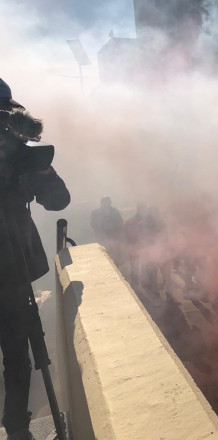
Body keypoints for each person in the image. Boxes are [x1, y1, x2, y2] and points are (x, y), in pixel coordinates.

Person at [0, 78, 70, 440]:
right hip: (11, 273)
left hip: (12, 273)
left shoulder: (20, 157)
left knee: (17, 356)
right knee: (17, 356)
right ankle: (16, 430)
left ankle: (17, 429)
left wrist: (38, 167)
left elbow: (58, 200)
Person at [90, 196, 123, 260]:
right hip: (101, 239)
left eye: (108, 202)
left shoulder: (115, 212)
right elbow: (93, 224)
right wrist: (103, 226)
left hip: (114, 238)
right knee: (103, 256)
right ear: (102, 203)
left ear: (110, 203)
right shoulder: (96, 213)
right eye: (105, 202)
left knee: (114, 256)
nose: (106, 204)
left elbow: (120, 222)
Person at [123, 203, 147, 285]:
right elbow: (126, 232)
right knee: (135, 265)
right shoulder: (133, 221)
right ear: (140, 210)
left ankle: (142, 281)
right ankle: (135, 283)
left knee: (145, 264)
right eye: (144, 209)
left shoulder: (145, 220)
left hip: (143, 246)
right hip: (135, 246)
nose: (145, 211)